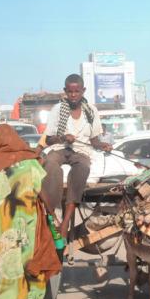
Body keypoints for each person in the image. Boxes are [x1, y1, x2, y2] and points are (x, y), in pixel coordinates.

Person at [0, 124, 61, 299]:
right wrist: (52, 215)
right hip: (23, 222)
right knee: (32, 265)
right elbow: (41, 193)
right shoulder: (30, 160)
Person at [40, 74, 112, 239]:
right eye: (70, 92)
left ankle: (65, 222)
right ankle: (53, 215)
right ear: (65, 91)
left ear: (83, 91)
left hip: (80, 151)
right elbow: (49, 139)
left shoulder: (91, 110)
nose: (73, 95)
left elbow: (94, 141)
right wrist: (63, 138)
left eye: (77, 91)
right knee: (50, 164)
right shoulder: (57, 110)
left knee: (82, 167)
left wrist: (104, 146)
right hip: (60, 147)